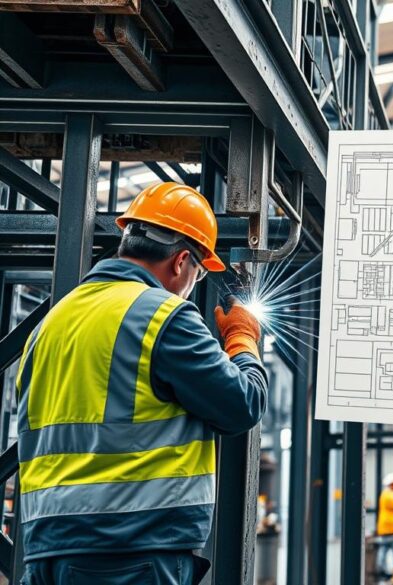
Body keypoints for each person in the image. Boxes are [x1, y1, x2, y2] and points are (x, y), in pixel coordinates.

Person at [16, 182, 268, 584]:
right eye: (199, 274)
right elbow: (242, 404)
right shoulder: (163, 316)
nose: (192, 285)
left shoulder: (53, 322)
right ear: (183, 261)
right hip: (129, 552)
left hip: (46, 549)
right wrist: (242, 339)